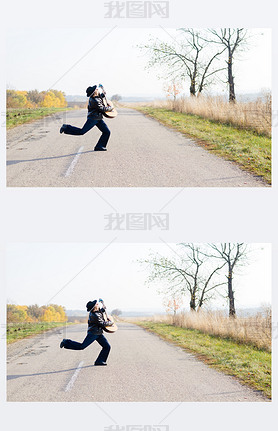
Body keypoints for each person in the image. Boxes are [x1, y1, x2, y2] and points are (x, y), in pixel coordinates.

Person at [60, 85, 113, 151]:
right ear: (94, 92)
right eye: (96, 89)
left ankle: (100, 146)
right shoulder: (95, 101)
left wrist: (103, 94)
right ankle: (66, 127)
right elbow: (102, 109)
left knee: (107, 132)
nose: (97, 89)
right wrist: (111, 107)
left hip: (98, 118)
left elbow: (100, 98)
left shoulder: (95, 97)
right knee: (82, 132)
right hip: (93, 119)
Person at [60, 300, 112, 366]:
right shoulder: (95, 315)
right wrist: (111, 323)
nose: (97, 304)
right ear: (94, 307)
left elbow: (100, 312)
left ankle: (100, 361)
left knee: (107, 346)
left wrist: (103, 309)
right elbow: (102, 324)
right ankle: (66, 342)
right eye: (96, 304)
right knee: (82, 346)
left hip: (99, 333)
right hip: (93, 333)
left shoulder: (96, 311)